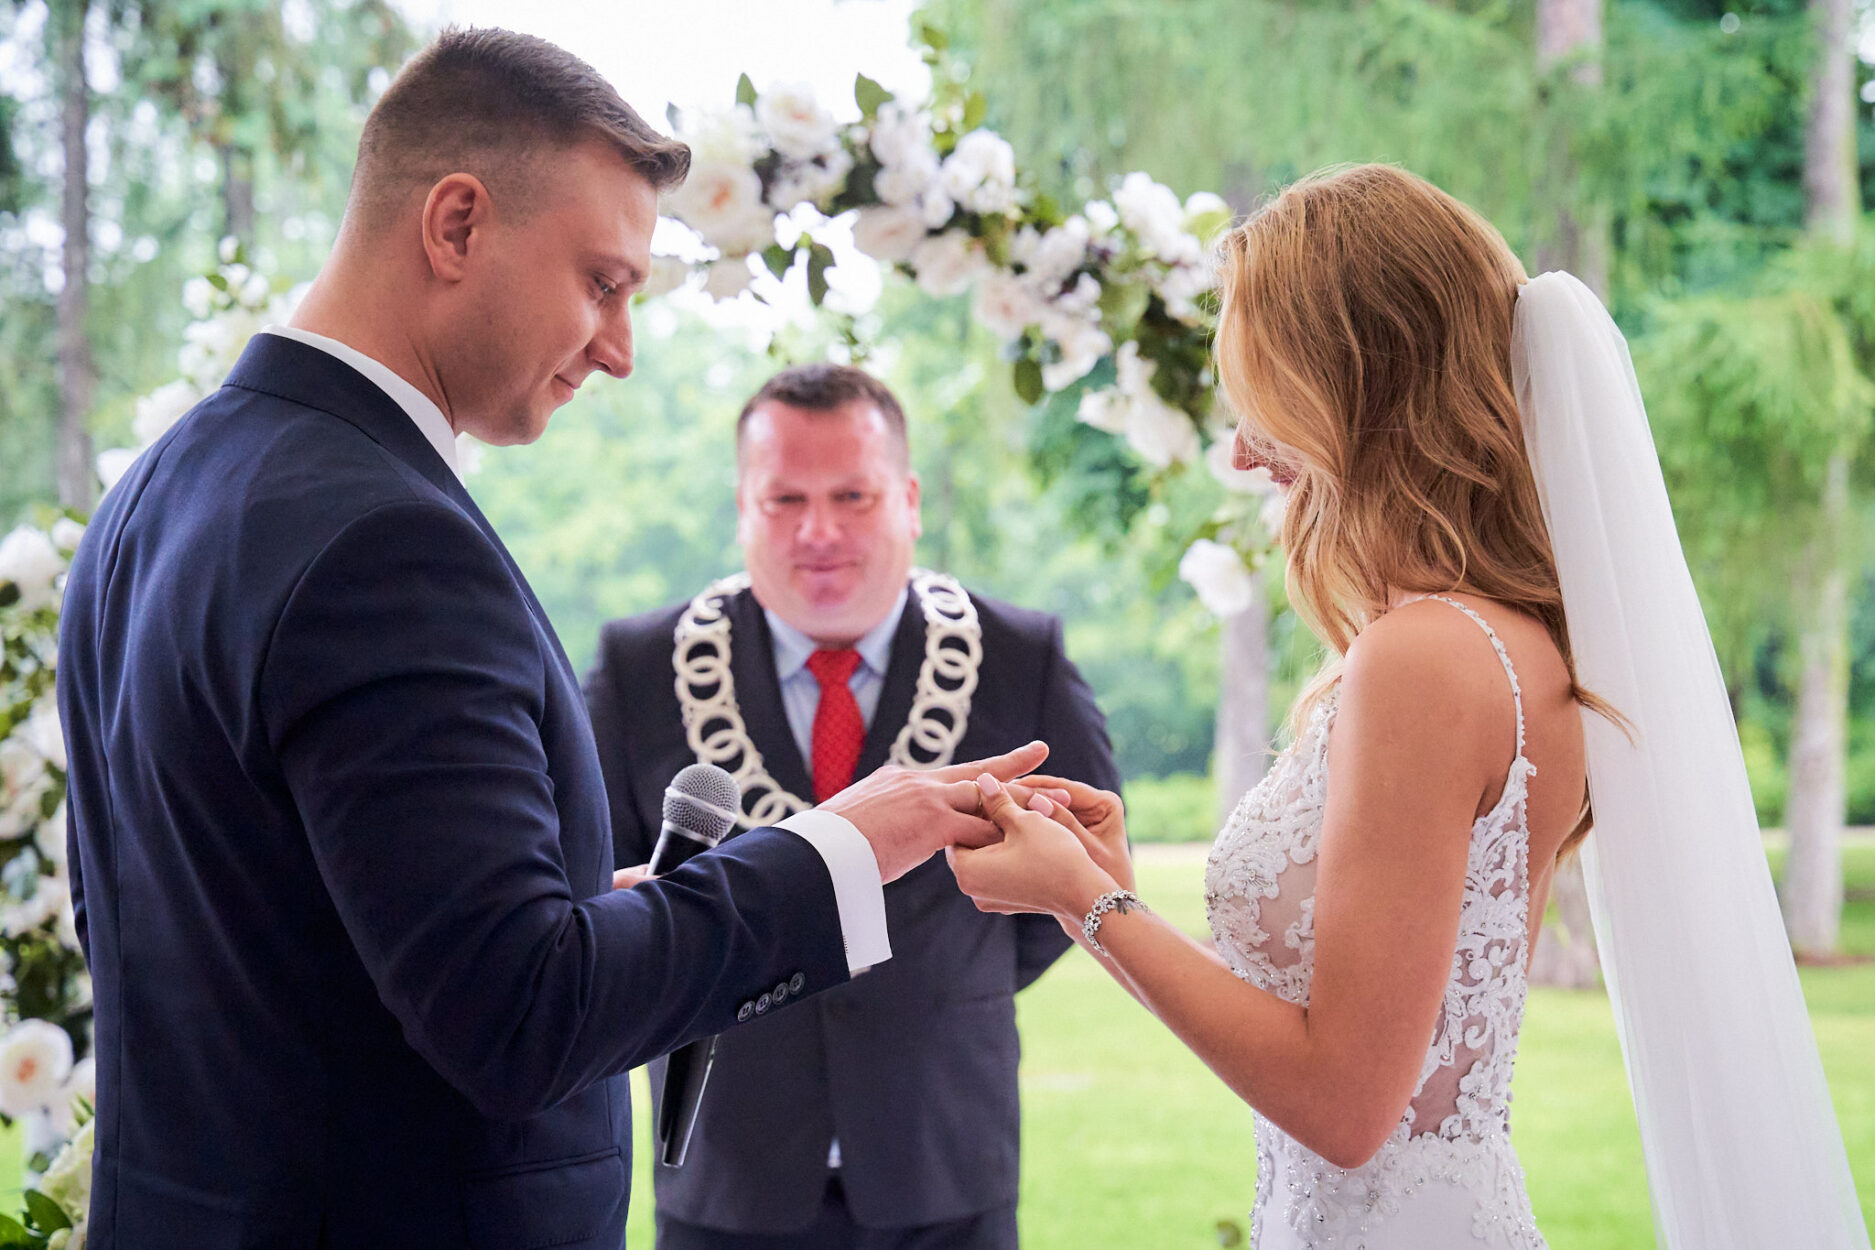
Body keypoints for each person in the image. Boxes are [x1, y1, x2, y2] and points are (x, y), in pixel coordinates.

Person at [55, 30, 1049, 1250]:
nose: (619, 349)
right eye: (602, 283)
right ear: (456, 224)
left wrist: (581, 909)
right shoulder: (387, 543)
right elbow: (522, 1013)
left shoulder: (150, 496)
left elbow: (206, 923)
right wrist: (841, 844)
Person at [947, 164, 1870, 1249]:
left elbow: (1345, 1106)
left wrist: (1086, 900)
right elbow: (1339, 1034)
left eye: (1264, 398)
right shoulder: (1483, 643)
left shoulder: (1427, 659)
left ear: (1358, 386)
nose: (1242, 450)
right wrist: (1099, 899)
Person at [586, 363, 1121, 1250]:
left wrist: (943, 981)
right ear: (742, 507)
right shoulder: (640, 668)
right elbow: (601, 900)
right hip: (727, 1173)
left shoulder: (1018, 656)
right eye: (784, 499)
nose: (819, 531)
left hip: (944, 1159)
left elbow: (1080, 882)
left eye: (852, 496)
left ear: (908, 500)